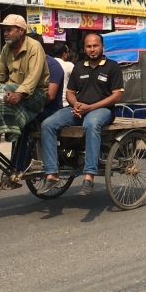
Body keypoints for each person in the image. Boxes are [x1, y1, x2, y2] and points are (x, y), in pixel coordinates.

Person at [39, 32, 125, 196]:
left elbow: (117, 96)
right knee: (48, 124)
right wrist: (76, 104)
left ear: (102, 47)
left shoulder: (112, 66)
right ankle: (52, 173)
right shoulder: (78, 66)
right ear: (84, 48)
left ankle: (89, 175)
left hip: (102, 110)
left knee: (91, 124)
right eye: (88, 46)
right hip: (78, 109)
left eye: (95, 46)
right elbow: (70, 92)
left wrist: (90, 108)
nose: (92, 49)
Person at [0, 14, 50, 181]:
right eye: (4, 30)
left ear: (21, 31)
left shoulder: (34, 46)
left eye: (9, 29)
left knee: (3, 90)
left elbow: (33, 77)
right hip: (10, 91)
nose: (6, 33)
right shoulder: (6, 49)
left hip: (35, 94)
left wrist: (20, 93)